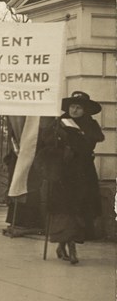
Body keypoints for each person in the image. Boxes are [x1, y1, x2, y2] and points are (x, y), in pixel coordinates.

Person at [41, 91, 104, 265]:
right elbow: (46, 143)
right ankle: (69, 246)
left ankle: (65, 245)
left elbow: (89, 144)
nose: (75, 110)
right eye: (72, 106)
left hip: (83, 172)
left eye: (79, 107)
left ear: (85, 110)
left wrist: (77, 138)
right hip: (63, 172)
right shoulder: (59, 122)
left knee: (79, 208)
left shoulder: (90, 126)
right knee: (65, 208)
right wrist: (57, 142)